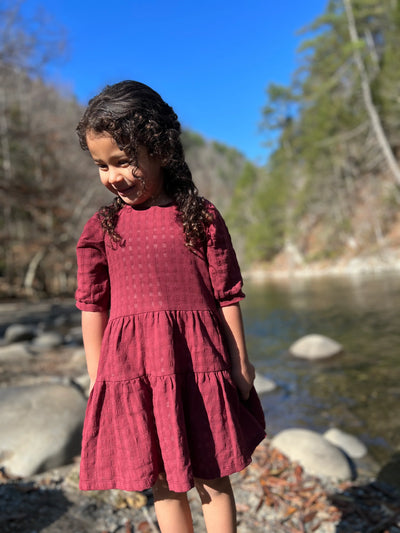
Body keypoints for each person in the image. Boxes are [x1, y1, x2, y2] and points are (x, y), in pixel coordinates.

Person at [75, 80, 266, 533]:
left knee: (213, 476)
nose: (112, 176)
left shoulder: (199, 217)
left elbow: (227, 295)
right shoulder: (102, 229)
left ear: (159, 151)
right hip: (136, 371)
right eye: (101, 165)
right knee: (162, 480)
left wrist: (240, 362)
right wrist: (98, 375)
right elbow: (92, 306)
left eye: (122, 161)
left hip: (199, 364)